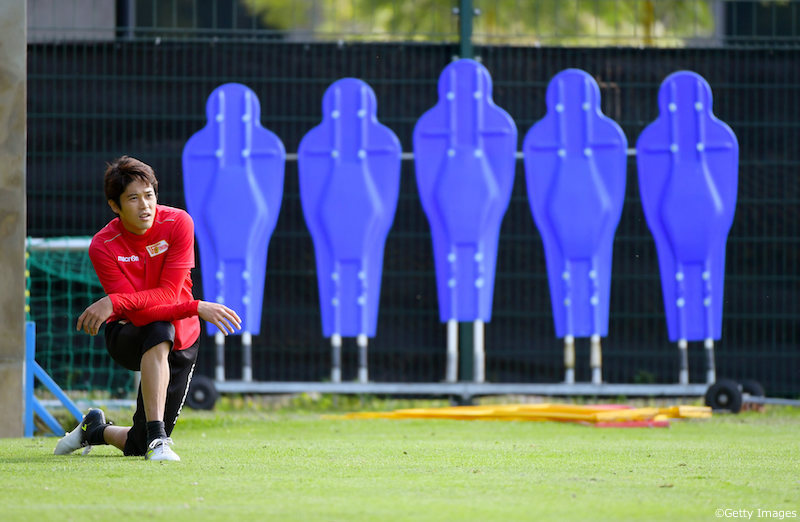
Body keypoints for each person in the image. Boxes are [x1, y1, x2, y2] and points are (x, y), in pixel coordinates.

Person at [54, 155, 242, 461]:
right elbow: (140, 315)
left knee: (135, 445)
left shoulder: (179, 222)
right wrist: (193, 306)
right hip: (129, 332)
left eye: (149, 195)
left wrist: (114, 301)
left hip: (184, 337)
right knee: (158, 328)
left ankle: (95, 430)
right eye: (133, 198)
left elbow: (169, 294)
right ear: (115, 206)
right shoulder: (103, 245)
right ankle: (159, 440)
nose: (145, 206)